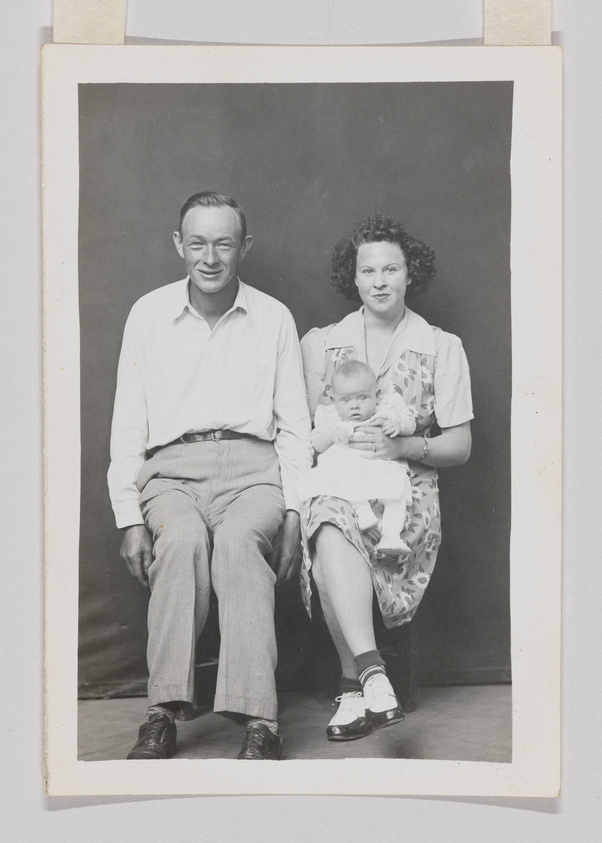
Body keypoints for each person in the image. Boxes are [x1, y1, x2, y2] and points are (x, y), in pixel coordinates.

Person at [108, 191, 312, 760]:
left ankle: (260, 722)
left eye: (224, 242)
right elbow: (129, 421)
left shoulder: (273, 316)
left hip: (254, 472)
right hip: (171, 473)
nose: (211, 257)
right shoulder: (147, 314)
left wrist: (295, 509)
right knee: (182, 541)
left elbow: (294, 424)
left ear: (244, 246)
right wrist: (130, 515)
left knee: (241, 544)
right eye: (197, 242)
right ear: (179, 245)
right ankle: (163, 712)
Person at [300, 214, 473, 742]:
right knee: (328, 520)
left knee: (332, 538)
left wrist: (401, 444)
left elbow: (460, 447)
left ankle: (352, 688)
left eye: (390, 269)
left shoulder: (441, 346)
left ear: (408, 274)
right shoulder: (322, 345)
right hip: (339, 481)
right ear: (351, 278)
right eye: (367, 270)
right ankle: (375, 678)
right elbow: (314, 434)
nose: (379, 281)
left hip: (406, 494)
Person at [298, 359, 416, 556]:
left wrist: (399, 426)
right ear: (335, 400)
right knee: (335, 481)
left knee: (397, 490)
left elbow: (410, 423)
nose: (354, 406)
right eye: (346, 400)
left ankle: (391, 535)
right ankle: (362, 510)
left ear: (376, 395)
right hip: (345, 468)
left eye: (362, 398)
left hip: (380, 467)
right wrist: (331, 436)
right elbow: (316, 442)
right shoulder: (329, 415)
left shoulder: (387, 407)